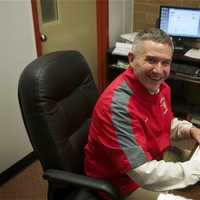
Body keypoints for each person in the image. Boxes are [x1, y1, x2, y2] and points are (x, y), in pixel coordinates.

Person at [84, 28, 200, 200]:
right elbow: (143, 172)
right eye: (151, 60)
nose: (159, 71)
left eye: (165, 62)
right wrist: (195, 171)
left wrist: (190, 130)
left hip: (152, 157)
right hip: (122, 183)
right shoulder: (118, 106)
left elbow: (163, 123)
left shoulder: (159, 87)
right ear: (132, 59)